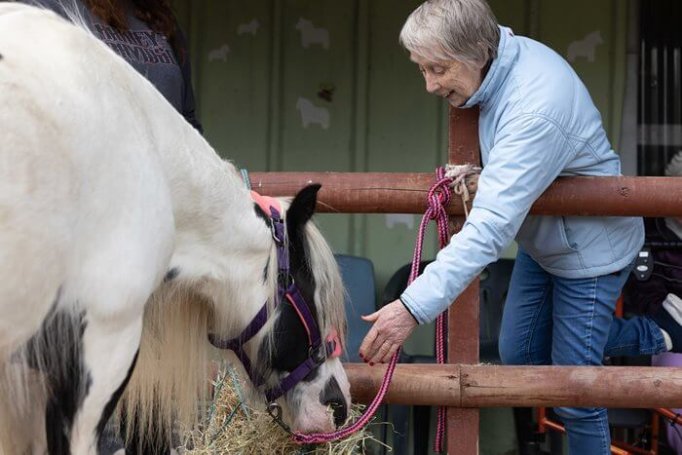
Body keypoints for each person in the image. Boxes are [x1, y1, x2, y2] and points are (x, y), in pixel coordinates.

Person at [357, 1, 682, 453]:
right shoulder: (499, 60)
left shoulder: (534, 109)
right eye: (422, 69)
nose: (430, 85)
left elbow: (489, 229)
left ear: (475, 53)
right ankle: (652, 331)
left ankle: (658, 331)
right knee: (521, 355)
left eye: (438, 69)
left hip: (589, 251)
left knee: (575, 392)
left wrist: (410, 307)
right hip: (545, 237)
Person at [25, 0, 202, 133]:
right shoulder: (43, 7)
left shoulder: (160, 18)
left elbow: (188, 123)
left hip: (168, 177)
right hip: (96, 176)